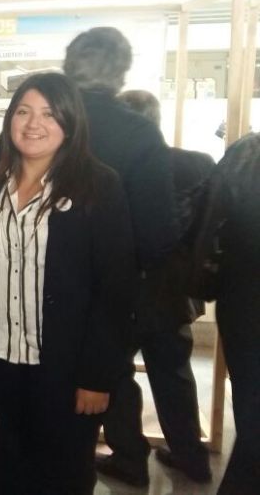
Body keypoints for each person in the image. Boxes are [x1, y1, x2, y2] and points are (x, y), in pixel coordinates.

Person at [0, 72, 137, 495]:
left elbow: (116, 289)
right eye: (23, 111)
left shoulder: (99, 185)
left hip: (67, 365)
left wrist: (98, 376)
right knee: (10, 463)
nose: (32, 123)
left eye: (48, 113)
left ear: (70, 122)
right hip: (2, 357)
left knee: (63, 475)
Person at [57, 27, 179, 488]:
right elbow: (158, 232)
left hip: (37, 293)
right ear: (122, 71)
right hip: (112, 296)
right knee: (104, 383)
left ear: (69, 65)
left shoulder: (45, 120)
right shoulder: (139, 132)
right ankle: (120, 456)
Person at [100, 89, 214, 483]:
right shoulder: (198, 164)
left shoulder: (110, 167)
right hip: (174, 291)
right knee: (174, 373)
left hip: (124, 292)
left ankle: (129, 458)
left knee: (114, 375)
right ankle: (191, 456)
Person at [191, 133, 260, 495]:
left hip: (240, 308)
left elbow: (209, 225)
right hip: (246, 307)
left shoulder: (245, 154)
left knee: (252, 413)